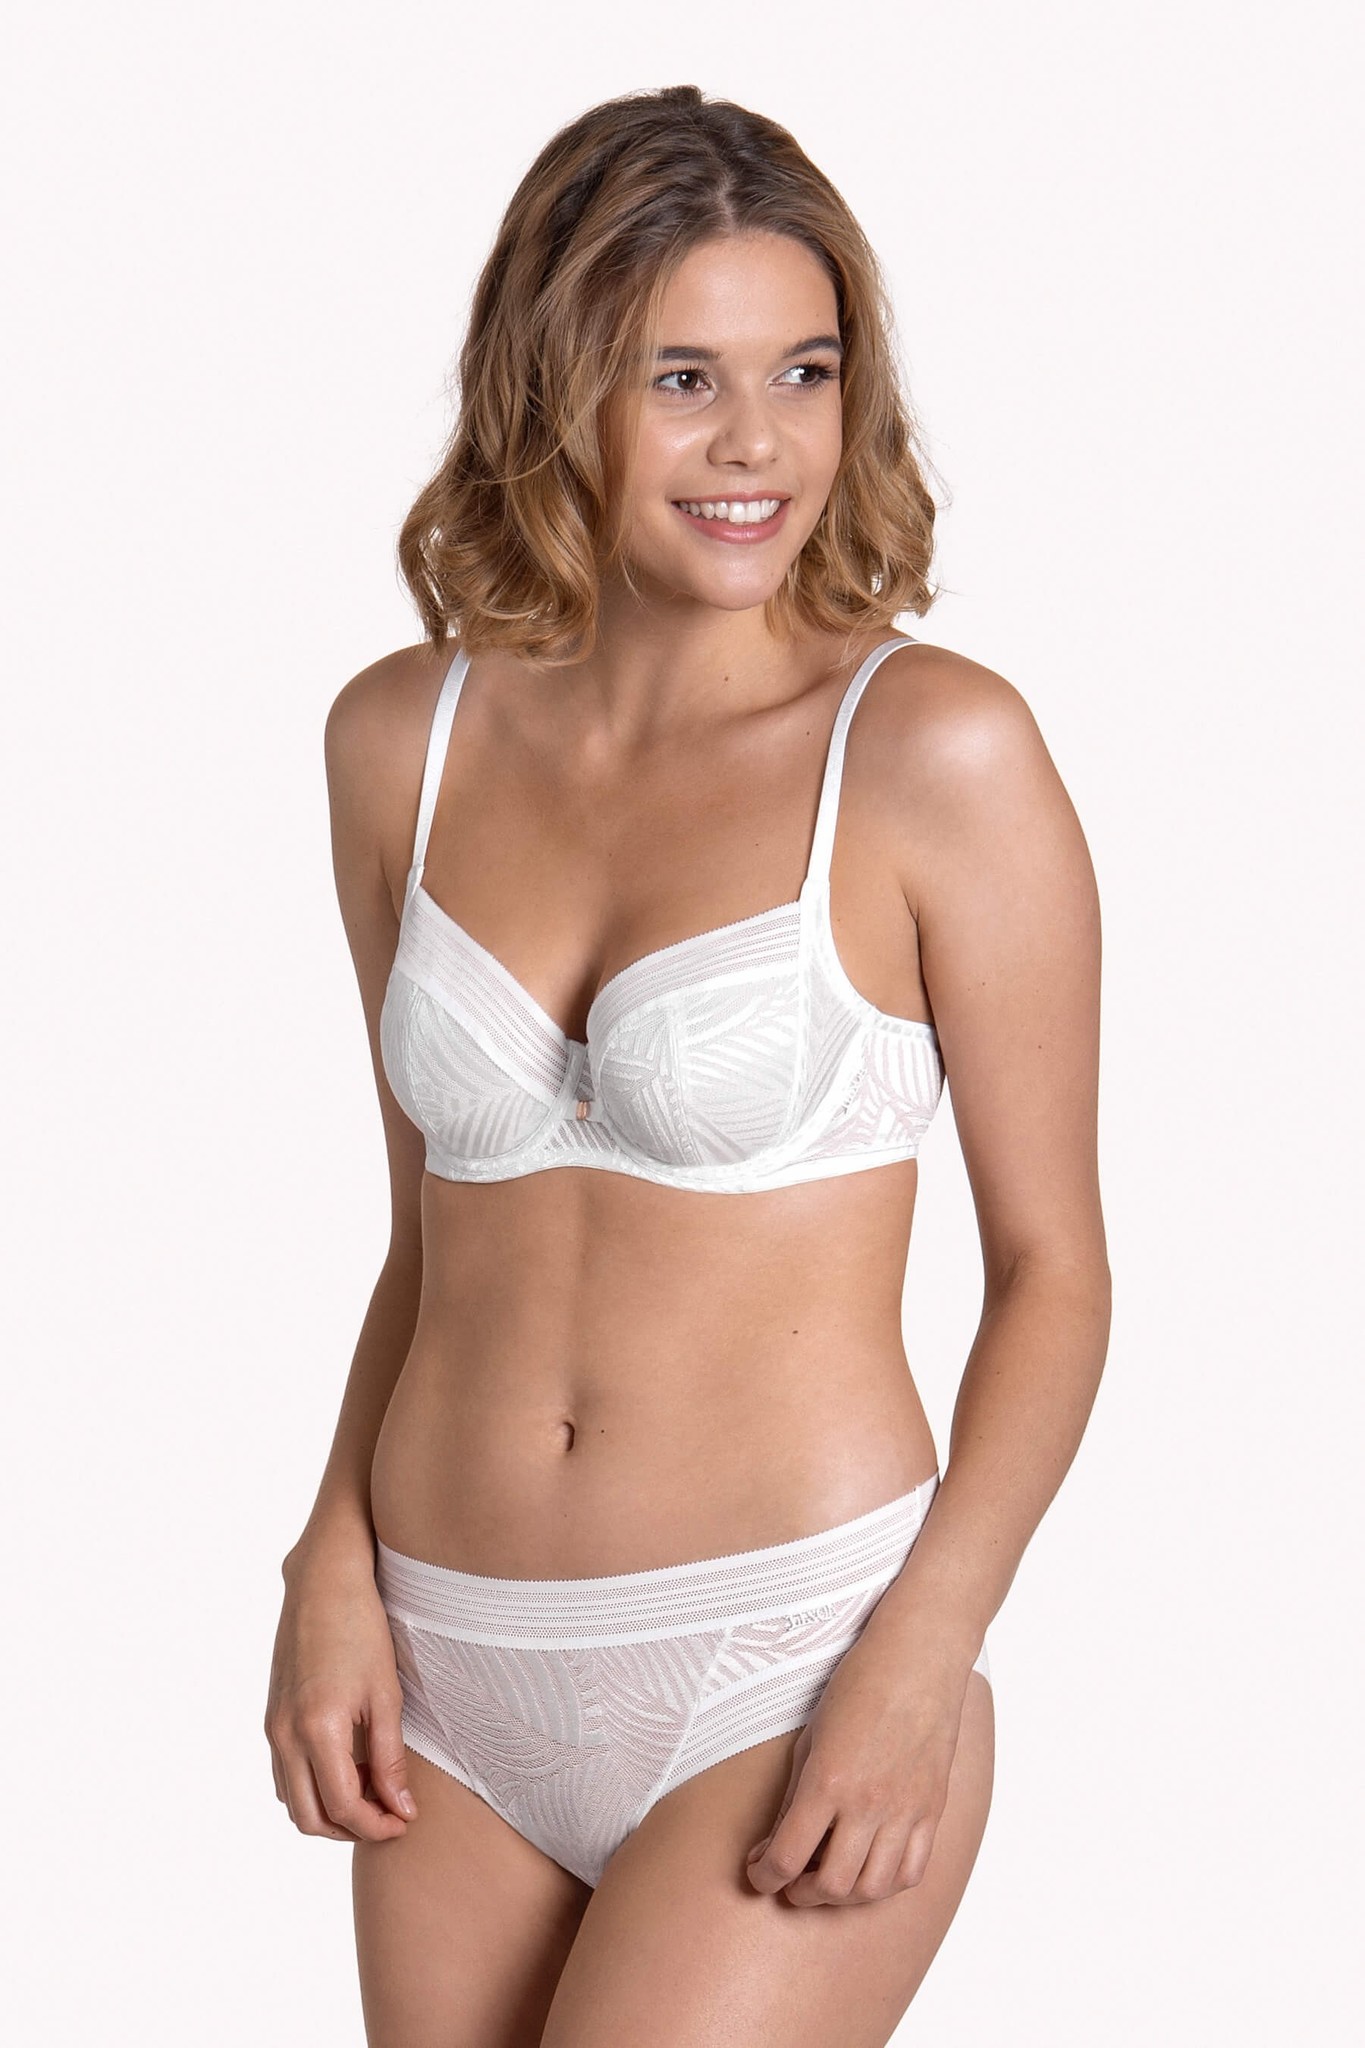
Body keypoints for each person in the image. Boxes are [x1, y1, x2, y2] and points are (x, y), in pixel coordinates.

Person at [265, 82, 1111, 2048]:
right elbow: (427, 1236)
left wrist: (923, 1652)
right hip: (445, 1667)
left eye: (805, 371)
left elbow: (1054, 1271)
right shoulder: (397, 742)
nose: (759, 445)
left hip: (783, 1662)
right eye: (683, 379)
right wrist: (327, 1559)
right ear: (552, 388)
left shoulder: (933, 751)